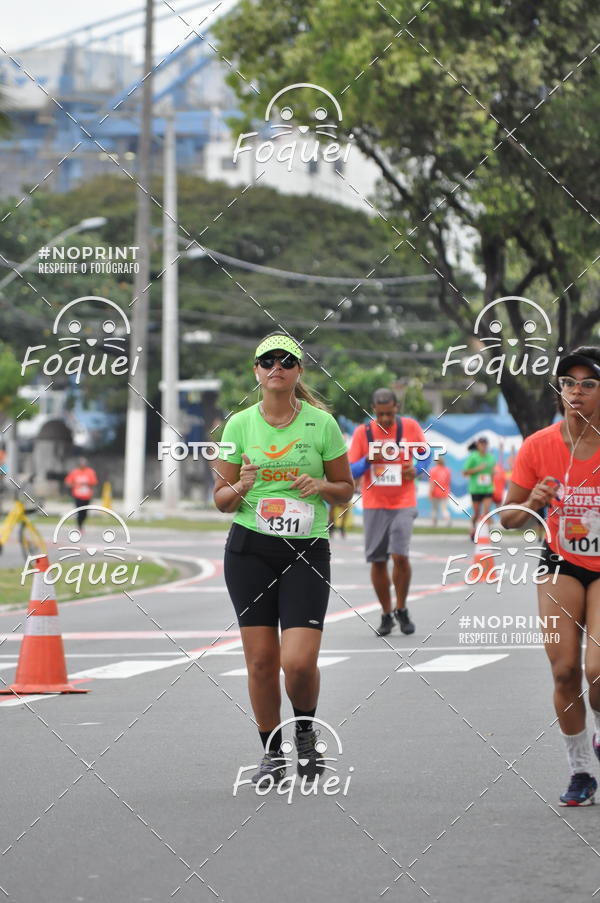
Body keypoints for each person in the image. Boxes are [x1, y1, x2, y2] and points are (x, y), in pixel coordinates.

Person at [214, 333, 353, 786]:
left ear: (298, 372)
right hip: (250, 549)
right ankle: (272, 753)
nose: (277, 367)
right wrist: (243, 486)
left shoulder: (322, 424)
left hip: (306, 551)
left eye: (286, 361)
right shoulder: (238, 425)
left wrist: (321, 489)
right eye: (267, 361)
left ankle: (307, 733)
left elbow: (346, 489)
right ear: (256, 371)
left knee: (297, 661)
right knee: (259, 661)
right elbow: (221, 500)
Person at [501, 346, 600, 806]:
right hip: (561, 562)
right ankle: (581, 770)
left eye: (588, 384)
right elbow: (508, 520)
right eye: (568, 384)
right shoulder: (539, 446)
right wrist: (533, 501)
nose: (576, 392)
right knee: (564, 671)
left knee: (597, 671)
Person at [348, 388, 427, 637]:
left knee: (400, 555)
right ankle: (386, 612)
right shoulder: (363, 433)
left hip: (404, 500)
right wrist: (371, 459)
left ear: (396, 409)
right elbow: (353, 469)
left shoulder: (411, 428)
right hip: (374, 502)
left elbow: (426, 455)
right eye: (380, 414)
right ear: (373, 410)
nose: (384, 419)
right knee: (378, 560)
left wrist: (416, 469)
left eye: (389, 414)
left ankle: (401, 608)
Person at [463, 436, 495, 540]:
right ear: (478, 445)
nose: (483, 447)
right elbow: (465, 472)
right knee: (476, 513)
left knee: (487, 511)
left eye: (485, 445)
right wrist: (478, 469)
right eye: (481, 445)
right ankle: (473, 527)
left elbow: (492, 472)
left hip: (487, 489)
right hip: (475, 489)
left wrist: (492, 475)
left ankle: (486, 532)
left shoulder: (491, 457)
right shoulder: (473, 457)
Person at [64, 457, 98, 529]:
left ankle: (81, 523)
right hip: (78, 495)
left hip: (87, 496)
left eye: (84, 463)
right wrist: (75, 485)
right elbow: (68, 482)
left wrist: (86, 484)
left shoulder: (90, 472)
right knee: (79, 511)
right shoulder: (75, 472)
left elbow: (94, 482)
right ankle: (79, 526)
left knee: (84, 512)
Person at [429, 453, 452, 527]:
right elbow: (448, 482)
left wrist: (430, 492)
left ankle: (434, 523)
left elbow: (432, 482)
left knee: (434, 508)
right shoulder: (447, 470)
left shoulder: (433, 470)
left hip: (435, 492)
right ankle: (448, 520)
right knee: (444, 509)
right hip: (445, 492)